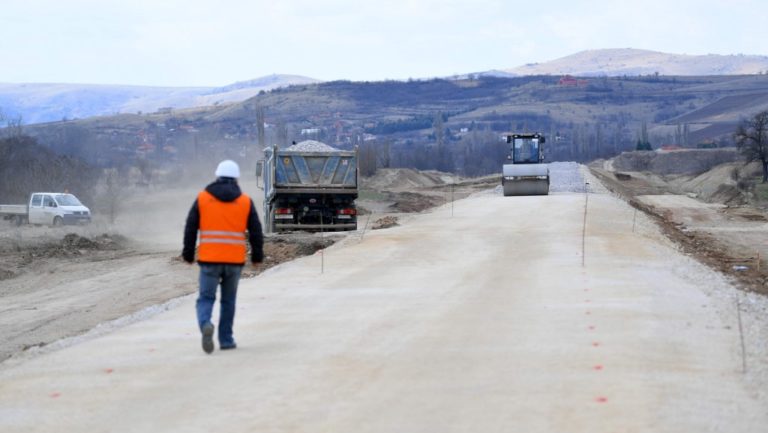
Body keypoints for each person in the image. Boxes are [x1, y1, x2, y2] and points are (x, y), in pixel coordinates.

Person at [183, 160, 263, 354]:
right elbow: (256, 231)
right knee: (228, 301)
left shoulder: (203, 198)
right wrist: (257, 256)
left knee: (206, 298)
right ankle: (226, 340)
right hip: (234, 261)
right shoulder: (244, 201)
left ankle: (205, 324)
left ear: (217, 176)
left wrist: (187, 253)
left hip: (209, 260)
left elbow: (191, 227)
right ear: (236, 178)